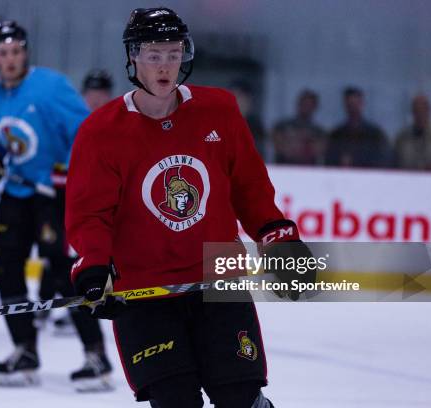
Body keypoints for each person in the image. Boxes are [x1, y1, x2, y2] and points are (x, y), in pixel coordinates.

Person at [66, 8, 314, 407]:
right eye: (153, 54)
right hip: (144, 291)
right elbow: (90, 214)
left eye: (172, 53)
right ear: (133, 57)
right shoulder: (101, 131)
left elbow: (249, 186)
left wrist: (276, 236)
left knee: (239, 399)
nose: (165, 65)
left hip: (218, 278)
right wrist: (94, 265)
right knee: (176, 401)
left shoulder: (219, 110)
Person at [0, 20, 111, 389]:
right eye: (3, 53)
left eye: (16, 50)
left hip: (57, 193)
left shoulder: (50, 87)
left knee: (66, 273)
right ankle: (25, 350)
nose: (10, 58)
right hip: (18, 193)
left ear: (25, 51)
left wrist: (68, 173)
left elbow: (87, 133)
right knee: (4, 269)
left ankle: (96, 355)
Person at [37, 68, 115, 335]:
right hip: (63, 197)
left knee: (79, 253)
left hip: (97, 201)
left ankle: (82, 310)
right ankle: (52, 305)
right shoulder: (72, 122)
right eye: (92, 93)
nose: (96, 98)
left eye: (102, 93)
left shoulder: (115, 124)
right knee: (56, 254)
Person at [325, 86, 390, 168]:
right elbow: (329, 161)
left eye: (355, 104)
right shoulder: (337, 135)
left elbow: (383, 160)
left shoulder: (375, 134)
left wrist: (357, 161)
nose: (352, 108)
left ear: (362, 104)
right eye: (349, 104)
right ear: (345, 105)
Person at [394, 94, 431, 171]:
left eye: (423, 110)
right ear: (412, 112)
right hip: (407, 181)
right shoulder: (402, 139)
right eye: (417, 111)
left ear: (429, 111)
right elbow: (393, 166)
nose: (420, 115)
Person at [272, 89, 326, 165]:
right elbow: (279, 145)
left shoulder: (319, 131)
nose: (306, 107)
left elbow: (318, 150)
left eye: (309, 104)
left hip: (309, 172)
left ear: (315, 107)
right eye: (304, 103)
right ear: (298, 104)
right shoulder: (282, 126)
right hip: (283, 169)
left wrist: (296, 144)